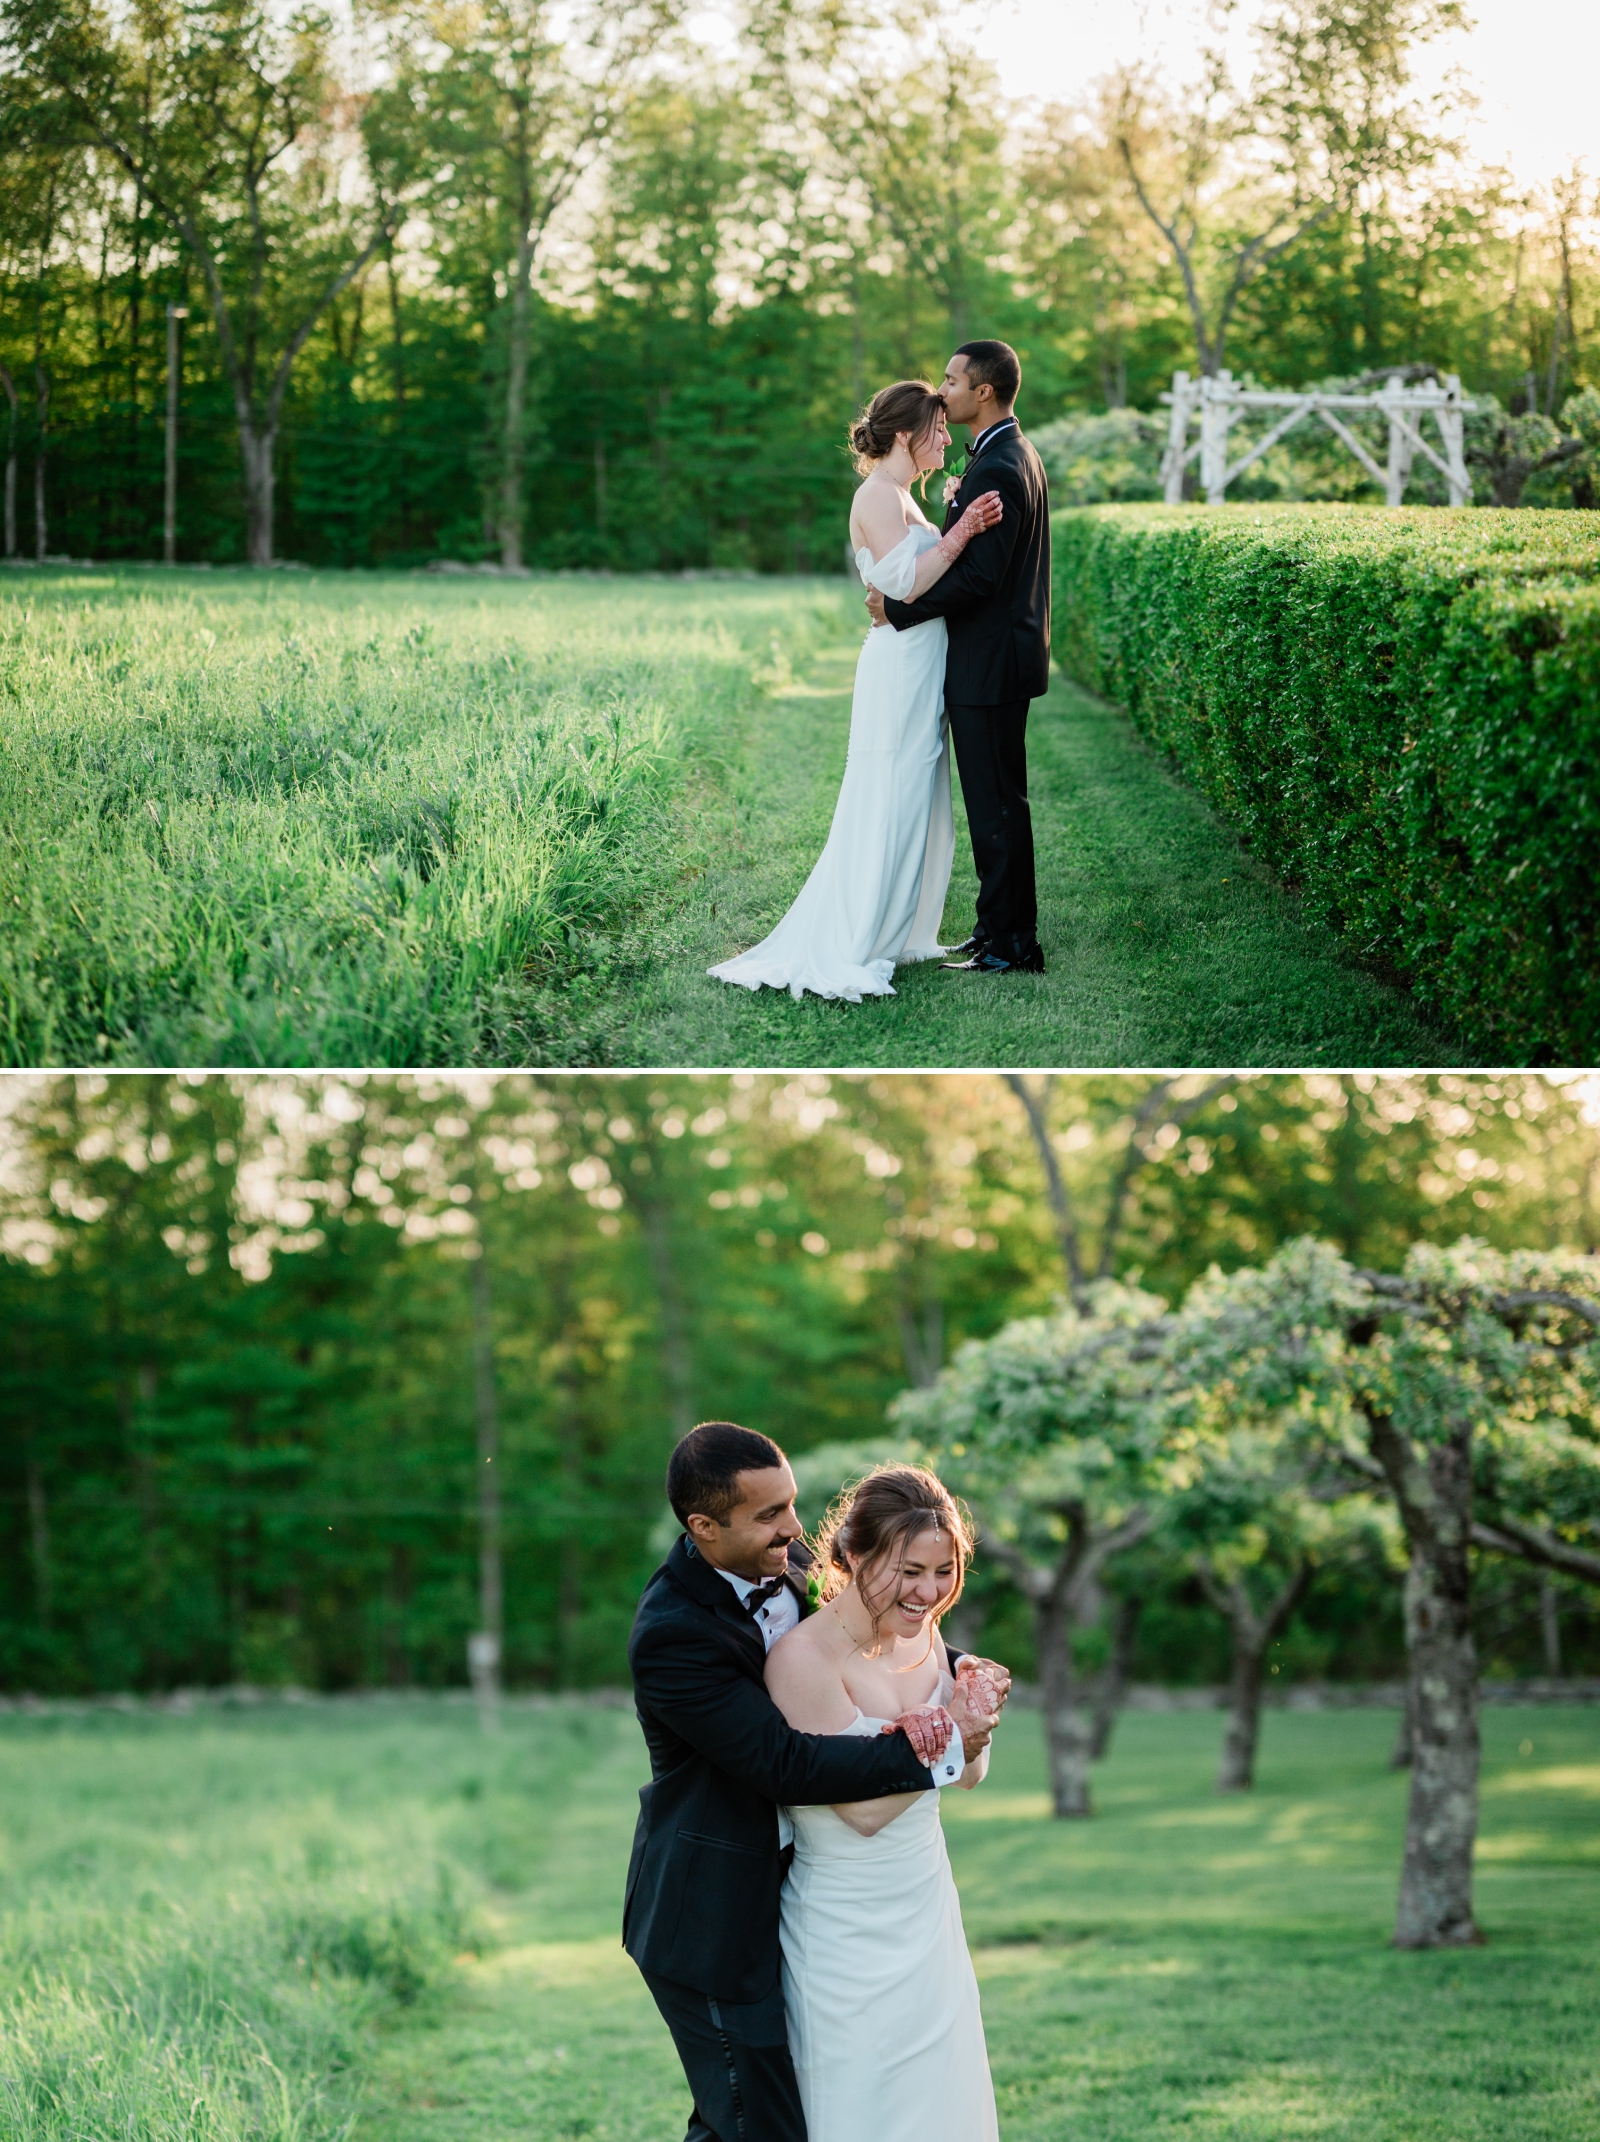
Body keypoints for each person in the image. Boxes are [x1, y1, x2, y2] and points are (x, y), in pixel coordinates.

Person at [625, 1423, 1011, 2142]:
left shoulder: (787, 1560)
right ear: (704, 1527)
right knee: (752, 2122)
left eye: (793, 1504)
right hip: (712, 1912)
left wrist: (962, 1673)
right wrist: (942, 1740)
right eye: (770, 1514)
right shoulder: (672, 1634)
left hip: (811, 1886)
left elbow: (881, 1618)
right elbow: (789, 1767)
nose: (796, 1529)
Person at [707, 382, 1003, 1001]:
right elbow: (907, 585)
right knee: (888, 794)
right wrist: (963, 531)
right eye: (938, 430)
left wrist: (953, 514)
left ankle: (901, 929)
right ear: (906, 435)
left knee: (918, 798)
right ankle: (859, 936)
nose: (947, 440)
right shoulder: (875, 496)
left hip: (922, 665)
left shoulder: (902, 494)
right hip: (898, 671)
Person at [765, 1465, 1002, 2142]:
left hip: (927, 1909)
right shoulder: (802, 1660)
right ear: (854, 1553)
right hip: (842, 1928)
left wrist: (974, 1711)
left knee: (942, 2104)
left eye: (945, 1571)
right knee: (860, 2105)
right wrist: (950, 1731)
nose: (929, 1592)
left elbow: (969, 1774)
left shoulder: (924, 1633)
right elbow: (860, 1813)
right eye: (910, 1571)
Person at [866, 339, 1052, 977]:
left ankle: (1013, 945)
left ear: (984, 391)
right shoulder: (1004, 454)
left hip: (990, 661)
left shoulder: (1000, 464)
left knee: (998, 806)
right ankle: (993, 927)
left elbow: (980, 578)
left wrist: (899, 611)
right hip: (993, 657)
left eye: (951, 381)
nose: (941, 392)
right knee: (991, 802)